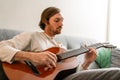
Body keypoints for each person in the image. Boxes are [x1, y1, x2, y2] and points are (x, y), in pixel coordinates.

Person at [0, 6, 120, 80]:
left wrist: (87, 62)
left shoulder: (61, 47)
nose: (61, 24)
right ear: (45, 21)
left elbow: (75, 75)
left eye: (62, 21)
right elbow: (2, 48)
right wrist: (32, 56)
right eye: (57, 20)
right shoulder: (33, 36)